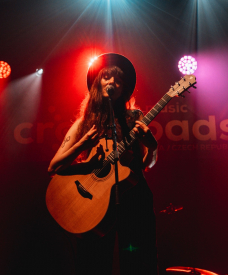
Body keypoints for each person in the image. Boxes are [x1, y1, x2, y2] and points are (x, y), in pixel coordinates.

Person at [48, 53, 159, 275]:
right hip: (94, 204)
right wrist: (81, 145)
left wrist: (152, 147)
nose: (112, 83)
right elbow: (54, 167)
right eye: (107, 77)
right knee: (93, 264)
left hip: (134, 200)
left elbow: (146, 164)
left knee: (140, 262)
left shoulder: (134, 118)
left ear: (124, 88)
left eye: (118, 80)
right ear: (97, 83)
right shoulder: (85, 123)